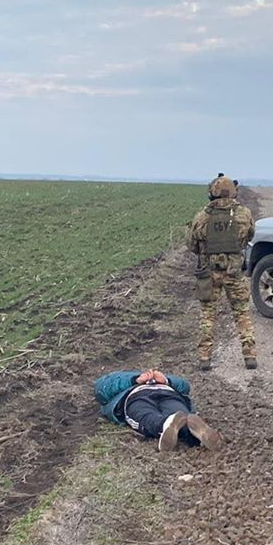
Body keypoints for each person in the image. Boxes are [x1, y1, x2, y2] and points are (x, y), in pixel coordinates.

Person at [186, 174, 258, 371]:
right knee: (242, 313)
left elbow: (191, 244)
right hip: (234, 271)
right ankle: (249, 356)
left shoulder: (203, 215)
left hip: (209, 273)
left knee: (208, 315)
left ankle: (204, 358)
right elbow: (250, 235)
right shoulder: (243, 214)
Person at [93, 368, 223, 451]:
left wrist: (166, 380)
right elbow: (101, 389)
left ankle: (171, 425)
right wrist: (135, 380)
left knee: (152, 416)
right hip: (139, 393)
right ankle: (194, 435)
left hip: (161, 393)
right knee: (176, 415)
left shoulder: (161, 376)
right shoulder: (119, 377)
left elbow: (184, 386)